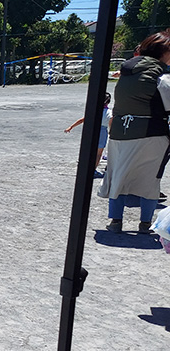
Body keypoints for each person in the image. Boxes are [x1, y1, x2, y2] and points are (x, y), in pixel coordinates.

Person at [99, 32, 170, 233]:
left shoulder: (127, 72)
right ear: (163, 51)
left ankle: (115, 221)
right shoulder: (160, 76)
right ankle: (145, 224)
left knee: (119, 175)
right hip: (151, 134)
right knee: (150, 180)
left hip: (120, 132)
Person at [65, 92, 113, 178]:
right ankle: (93, 170)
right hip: (102, 132)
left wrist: (71, 127)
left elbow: (82, 120)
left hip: (92, 130)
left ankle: (85, 167)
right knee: (98, 154)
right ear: (108, 102)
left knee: (90, 150)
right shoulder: (110, 112)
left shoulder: (94, 111)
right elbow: (111, 125)